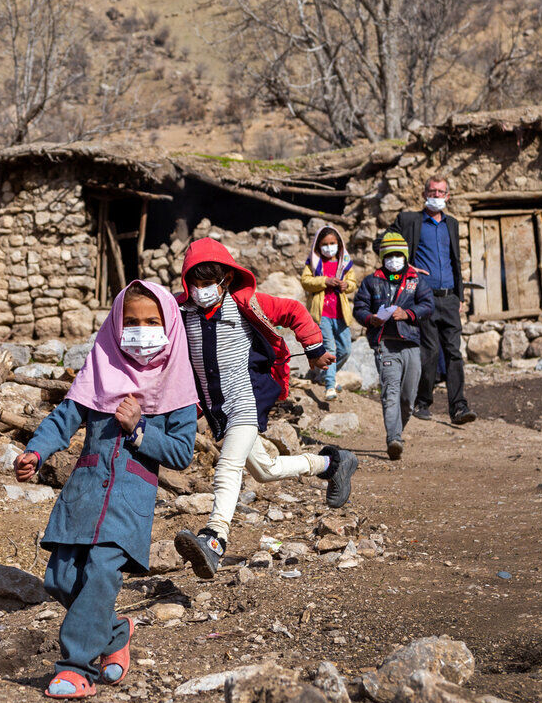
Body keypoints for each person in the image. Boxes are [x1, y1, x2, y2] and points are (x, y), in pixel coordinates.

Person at [13, 280, 197, 699]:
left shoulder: (177, 385)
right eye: (130, 321)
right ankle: (114, 635)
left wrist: (140, 429)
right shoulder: (100, 369)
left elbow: (182, 452)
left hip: (129, 501)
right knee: (59, 579)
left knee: (99, 575)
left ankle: (76, 668)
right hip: (84, 494)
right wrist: (36, 453)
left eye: (152, 321)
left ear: (169, 325)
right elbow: (64, 419)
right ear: (115, 324)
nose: (141, 329)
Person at [171, 238, 359, 580]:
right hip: (216, 409)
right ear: (187, 281)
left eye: (209, 282)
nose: (202, 289)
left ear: (227, 278)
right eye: (195, 282)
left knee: (228, 465)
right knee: (266, 469)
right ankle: (332, 463)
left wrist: (314, 348)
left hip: (244, 399)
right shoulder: (180, 310)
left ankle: (214, 539)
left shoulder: (246, 302)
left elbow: (294, 311)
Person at [382, 175, 476, 425]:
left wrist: (460, 296)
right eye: (432, 192)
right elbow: (380, 243)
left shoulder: (452, 224)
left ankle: (459, 407)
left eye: (441, 192)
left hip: (450, 298)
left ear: (448, 196)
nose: (436, 196)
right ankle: (423, 401)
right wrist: (405, 265)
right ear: (424, 194)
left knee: (454, 352)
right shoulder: (410, 221)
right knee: (431, 351)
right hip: (423, 298)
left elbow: (455, 261)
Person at [352, 232, 434, 461]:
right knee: (390, 393)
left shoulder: (416, 280)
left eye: (399, 255)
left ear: (405, 256)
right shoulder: (371, 281)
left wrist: (407, 314)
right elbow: (359, 308)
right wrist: (370, 319)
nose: (394, 259)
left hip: (411, 344)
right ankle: (394, 439)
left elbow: (428, 305)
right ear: (383, 257)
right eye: (390, 255)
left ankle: (398, 431)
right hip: (385, 345)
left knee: (408, 398)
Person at [300, 224, 359, 402]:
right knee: (330, 348)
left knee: (345, 350)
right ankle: (330, 385)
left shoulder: (344, 262)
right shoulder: (313, 262)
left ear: (339, 244)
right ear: (318, 246)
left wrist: (346, 285)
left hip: (340, 314)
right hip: (322, 314)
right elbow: (305, 281)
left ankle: (323, 376)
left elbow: (353, 282)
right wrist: (325, 280)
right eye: (324, 244)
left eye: (332, 243)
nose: (329, 247)